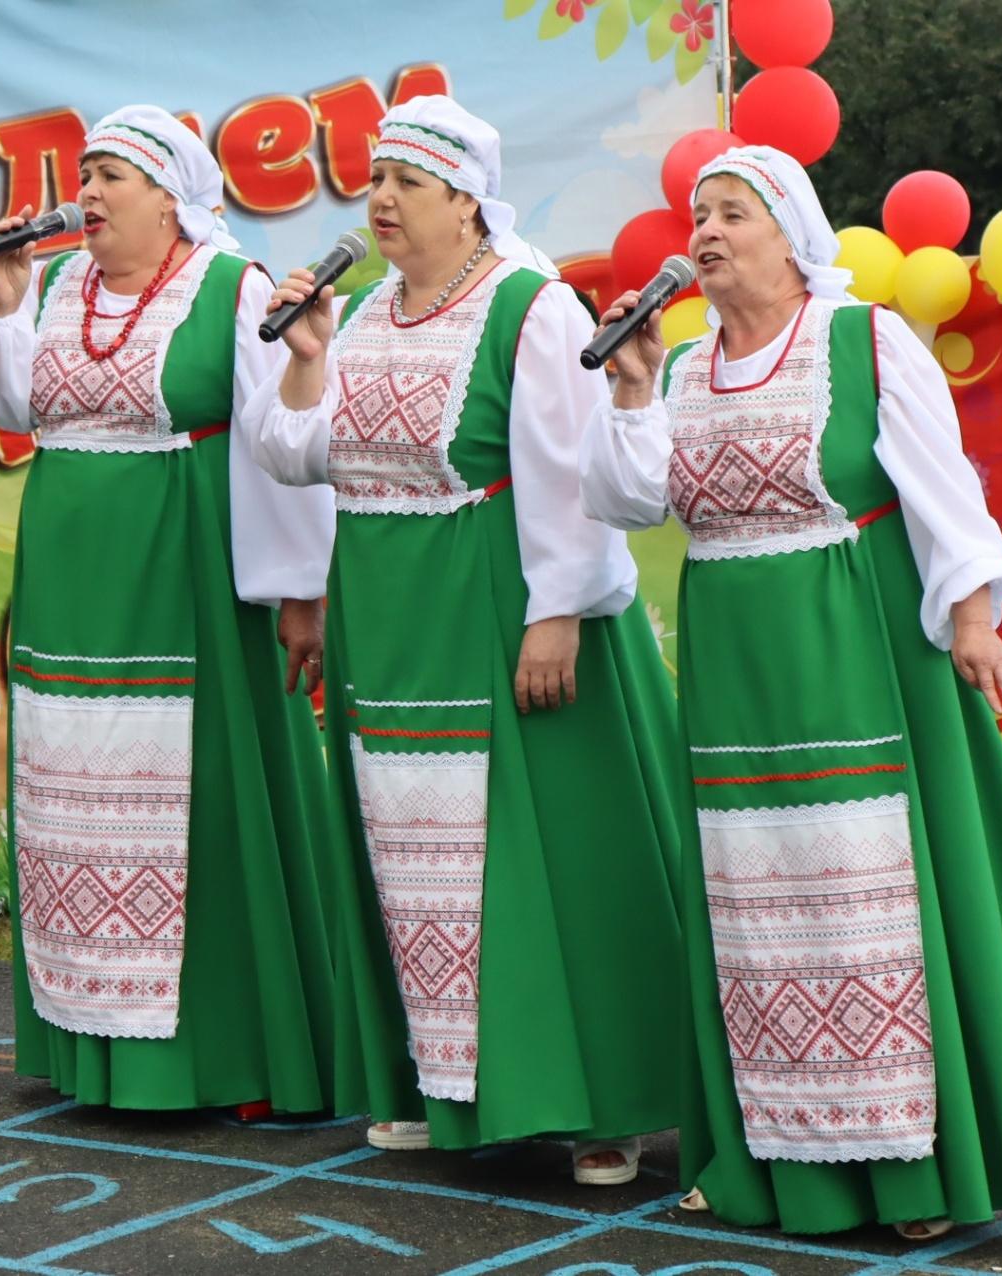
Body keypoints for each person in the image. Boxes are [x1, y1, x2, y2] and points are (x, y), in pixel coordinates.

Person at [580, 144, 1002, 1239]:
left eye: (733, 213)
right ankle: (773, 1158)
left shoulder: (862, 341)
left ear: (792, 235)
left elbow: (944, 488)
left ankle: (913, 1173)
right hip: (736, 671)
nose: (707, 233)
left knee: (870, 901)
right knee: (752, 904)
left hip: (857, 648)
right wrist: (635, 387)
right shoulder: (685, 366)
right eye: (699, 215)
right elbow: (630, 498)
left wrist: (973, 618)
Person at [253, 97, 689, 1183]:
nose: (383, 201)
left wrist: (558, 613)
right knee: (413, 856)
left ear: (465, 198)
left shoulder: (528, 310)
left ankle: (603, 1103)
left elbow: (569, 471)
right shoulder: (358, 316)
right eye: (374, 181)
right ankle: (441, 1083)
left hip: (498, 602)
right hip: (389, 619)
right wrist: (304, 354)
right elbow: (299, 453)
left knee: (551, 853)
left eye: (407, 182)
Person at [0, 105, 338, 1114]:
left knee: (205, 798)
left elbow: (277, 446)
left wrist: (300, 591)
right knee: (75, 796)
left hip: (186, 571)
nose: (90, 192)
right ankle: (92, 1046)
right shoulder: (59, 285)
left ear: (169, 194)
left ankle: (234, 1053)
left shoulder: (232, 290)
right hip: (70, 587)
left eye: (111, 174)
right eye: (84, 173)